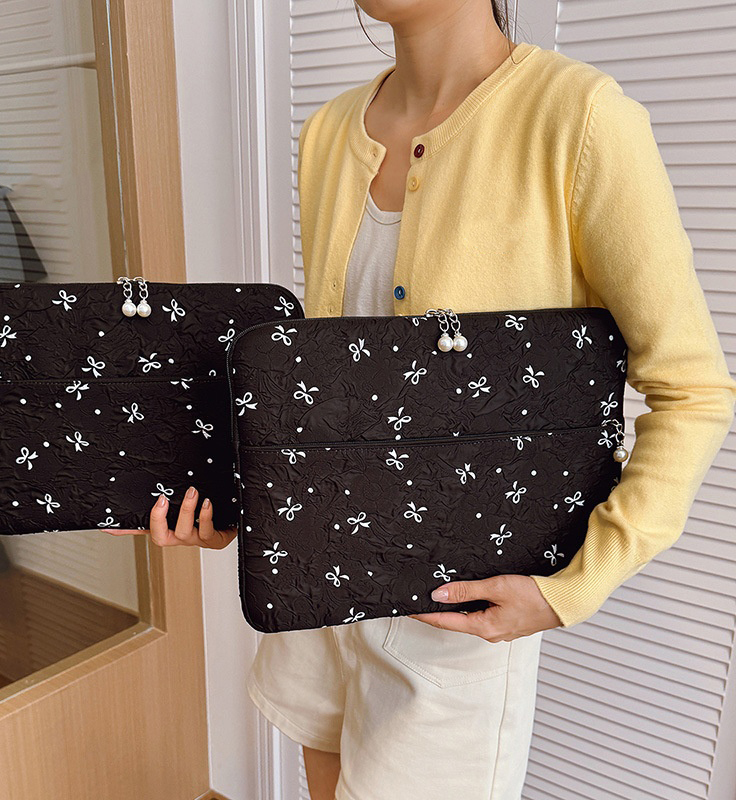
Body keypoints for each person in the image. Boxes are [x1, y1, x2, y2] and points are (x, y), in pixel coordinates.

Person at [104, 1, 736, 798]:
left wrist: (571, 587)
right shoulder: (331, 131)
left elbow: (692, 389)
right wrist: (245, 506)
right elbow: (328, 390)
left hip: (457, 617)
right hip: (318, 588)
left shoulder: (578, 118)